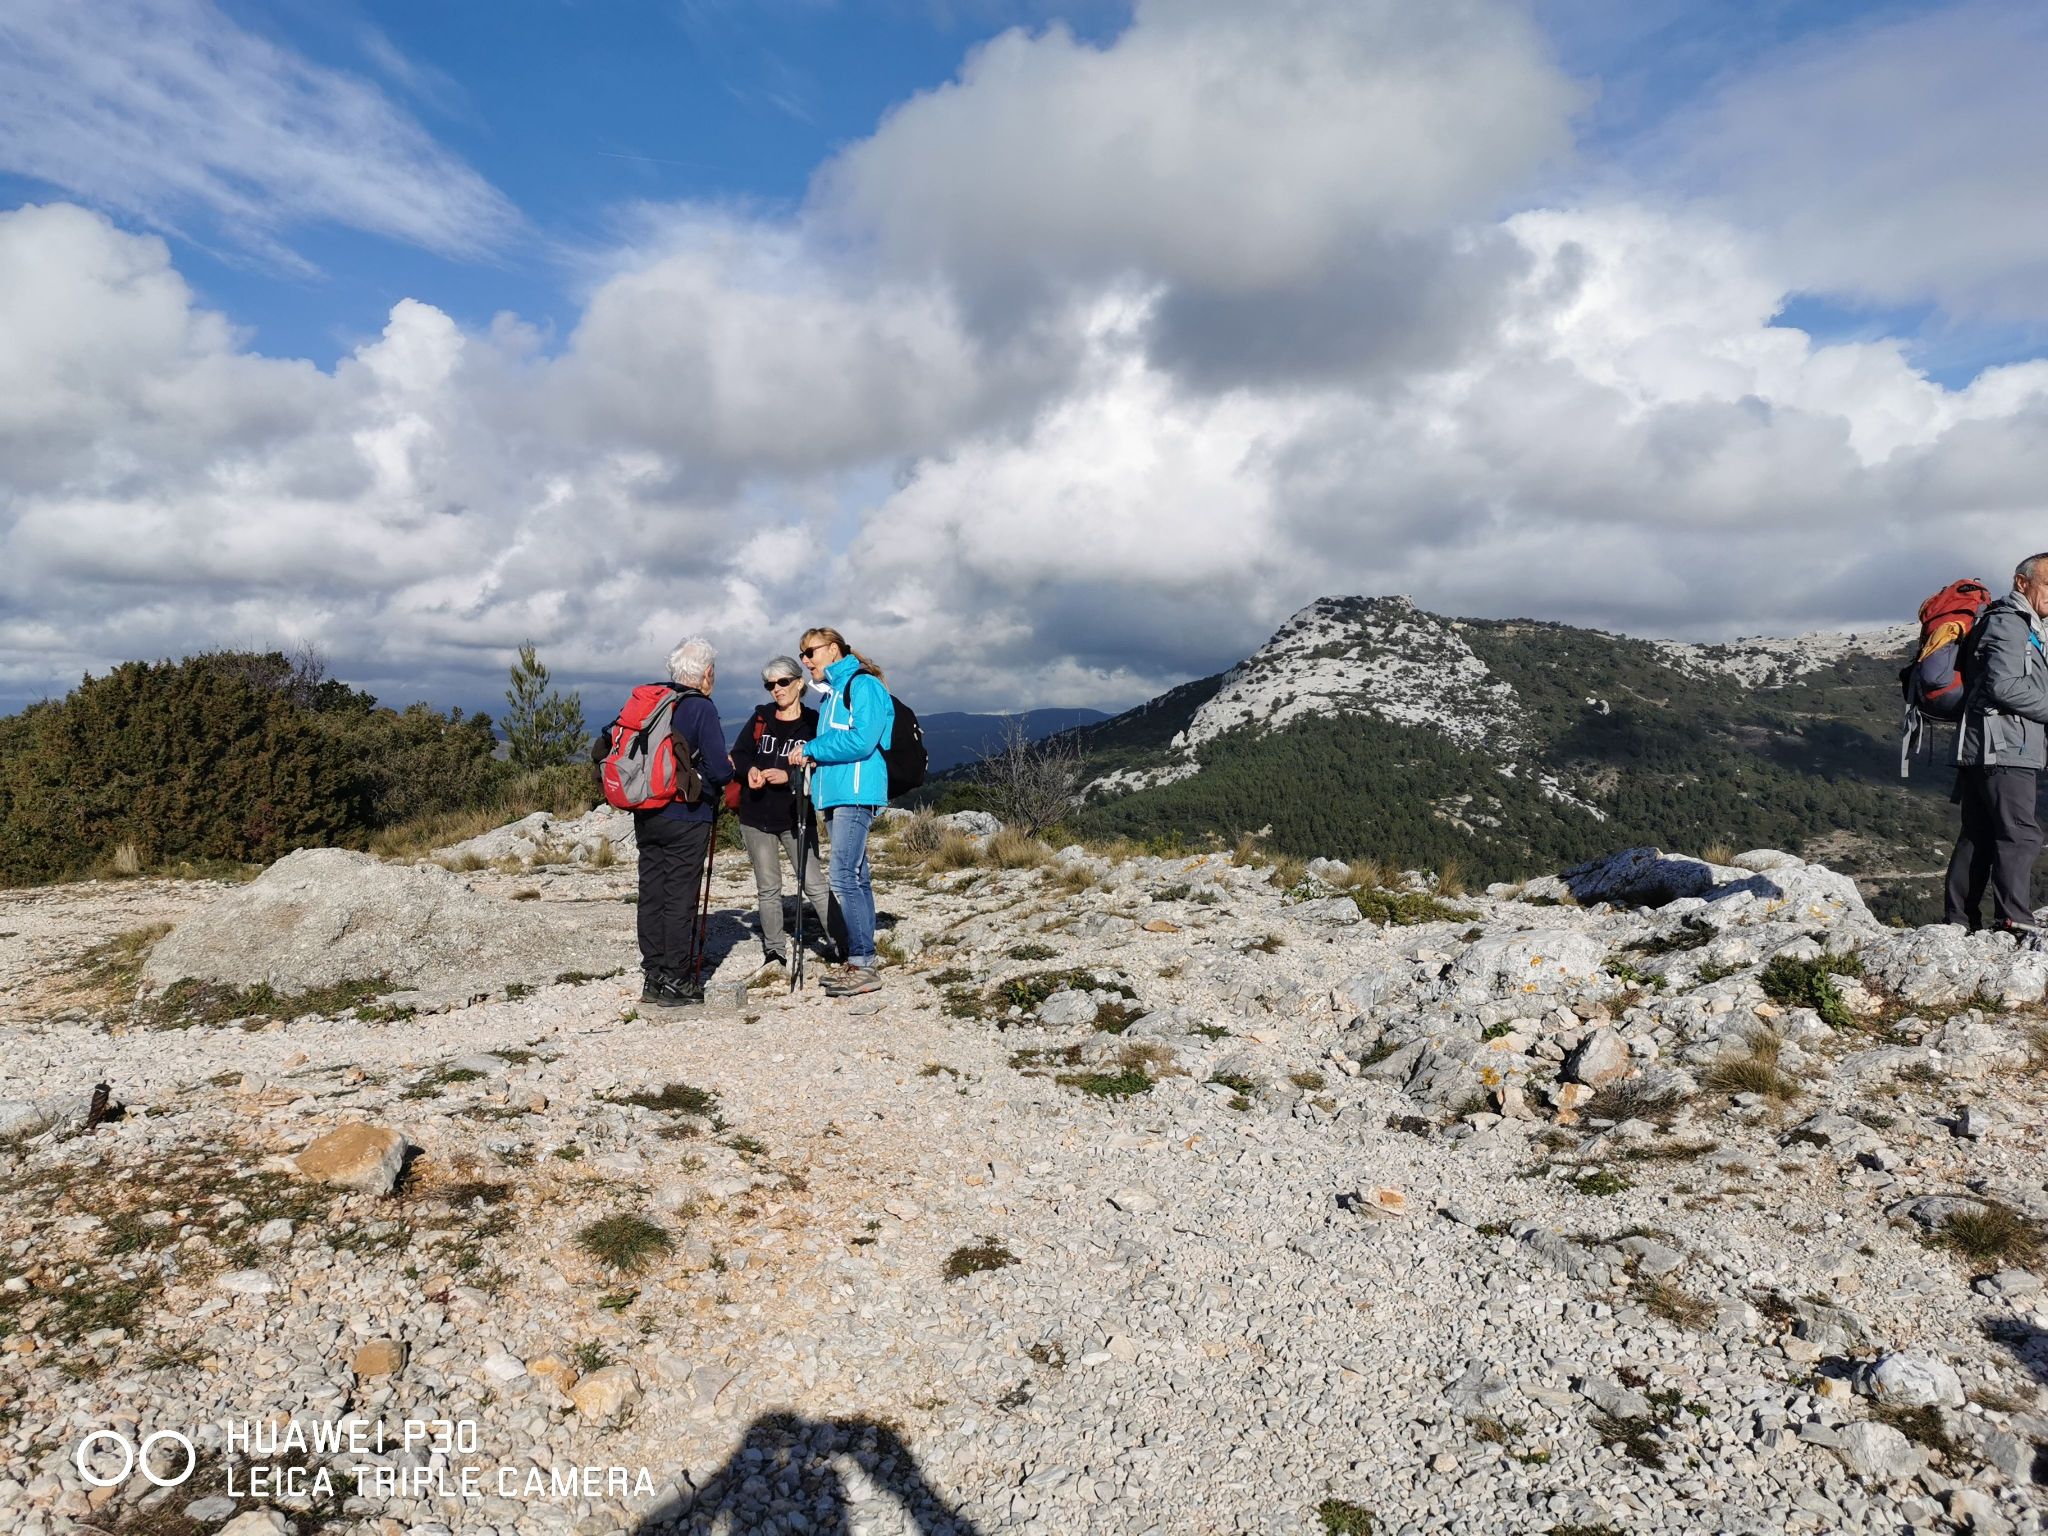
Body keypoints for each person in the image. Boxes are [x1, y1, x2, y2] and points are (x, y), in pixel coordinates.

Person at [787, 627, 893, 996]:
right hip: (838, 793)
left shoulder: (863, 685)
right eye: (802, 654)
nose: (806, 660)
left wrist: (812, 748)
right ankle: (861, 959)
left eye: (810, 652)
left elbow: (863, 740)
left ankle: (863, 962)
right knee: (856, 876)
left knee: (844, 876)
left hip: (856, 792)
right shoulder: (833, 691)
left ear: (833, 649)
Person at [1947, 553, 2048, 934]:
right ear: (2022, 582)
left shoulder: (2022, 624)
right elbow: (2004, 686)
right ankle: (2013, 918)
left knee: (1979, 835)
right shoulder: (2009, 622)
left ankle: (1960, 921)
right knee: (2020, 833)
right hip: (2004, 746)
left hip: (1990, 745)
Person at [635, 637, 731, 1008]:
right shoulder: (700, 707)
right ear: (707, 673)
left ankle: (654, 977)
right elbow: (720, 769)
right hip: (686, 814)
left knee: (652, 893)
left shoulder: (654, 700)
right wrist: (724, 773)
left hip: (647, 811)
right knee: (679, 897)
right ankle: (676, 980)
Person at [728, 655, 837, 970]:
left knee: (814, 884)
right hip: (755, 816)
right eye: (770, 685)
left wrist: (788, 777)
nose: (776, 689)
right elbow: (740, 752)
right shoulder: (761, 717)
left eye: (783, 682)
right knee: (768, 888)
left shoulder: (814, 722)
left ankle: (841, 943)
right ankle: (774, 952)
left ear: (799, 683)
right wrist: (750, 770)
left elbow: (823, 763)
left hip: (796, 815)